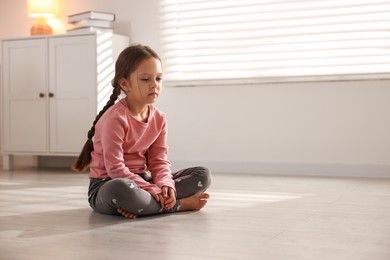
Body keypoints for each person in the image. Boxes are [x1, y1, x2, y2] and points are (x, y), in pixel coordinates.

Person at [72, 44, 211, 219]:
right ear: (124, 84)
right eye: (145, 79)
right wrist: (152, 189)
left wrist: (165, 185)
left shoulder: (159, 118)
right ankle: (179, 205)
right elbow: (115, 169)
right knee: (121, 190)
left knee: (203, 175)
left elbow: (158, 160)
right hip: (109, 184)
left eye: (158, 79)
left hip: (142, 181)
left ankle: (144, 204)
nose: (154, 85)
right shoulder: (114, 118)